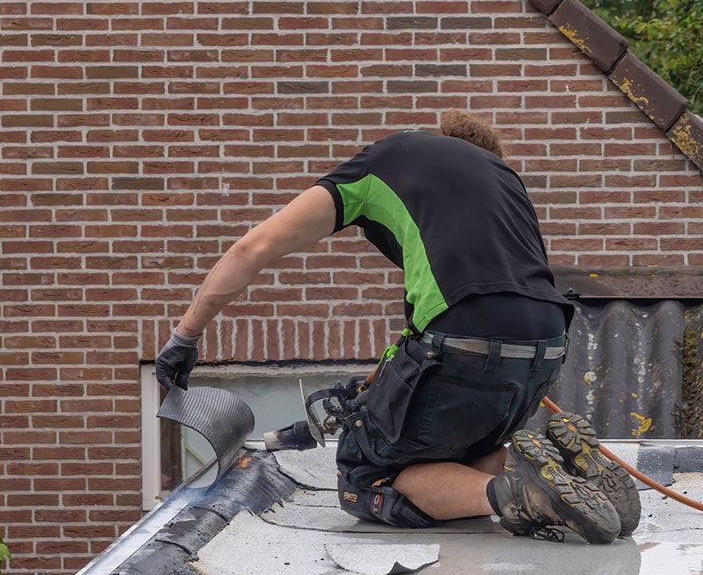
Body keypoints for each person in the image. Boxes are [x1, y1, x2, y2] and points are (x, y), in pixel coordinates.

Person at [154, 111, 640, 544]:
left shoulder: (384, 160)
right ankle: (564, 477)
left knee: (366, 473)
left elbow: (251, 249)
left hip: (466, 340)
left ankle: (529, 493)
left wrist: (185, 337)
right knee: (467, 447)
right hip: (548, 344)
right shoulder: (504, 179)